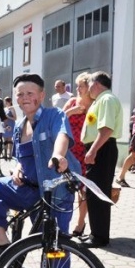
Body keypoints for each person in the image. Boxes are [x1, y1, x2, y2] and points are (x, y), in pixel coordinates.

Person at [0, 74, 81, 260]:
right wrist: (17, 167)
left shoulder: (54, 115)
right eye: (20, 94)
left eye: (30, 93)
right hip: (27, 190)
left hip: (55, 193)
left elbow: (62, 135)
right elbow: (20, 157)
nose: (25, 98)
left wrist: (58, 155)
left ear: (41, 95)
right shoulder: (19, 126)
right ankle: (2, 245)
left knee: (54, 246)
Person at [80, 72, 122, 247]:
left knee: (98, 193)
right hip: (99, 148)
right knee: (94, 192)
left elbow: (106, 129)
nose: (88, 88)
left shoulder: (106, 99)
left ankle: (99, 236)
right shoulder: (99, 101)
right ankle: (96, 232)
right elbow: (94, 124)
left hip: (102, 149)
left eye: (89, 84)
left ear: (96, 83)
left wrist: (93, 151)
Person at [61, 72, 92, 237]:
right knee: (65, 187)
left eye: (81, 86)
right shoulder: (72, 102)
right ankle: (63, 222)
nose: (78, 89)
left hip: (85, 151)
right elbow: (59, 119)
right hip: (69, 150)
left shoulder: (94, 104)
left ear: (89, 87)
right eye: (77, 86)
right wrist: (72, 111)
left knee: (83, 189)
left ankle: (81, 223)